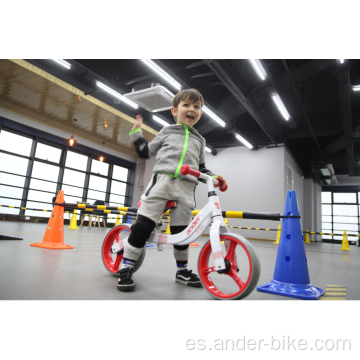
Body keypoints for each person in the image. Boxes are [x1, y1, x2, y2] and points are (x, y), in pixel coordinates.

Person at [117, 88, 227, 292]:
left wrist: (213, 177)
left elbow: (201, 169)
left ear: (200, 114)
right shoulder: (167, 131)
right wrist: (136, 131)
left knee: (182, 233)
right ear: (174, 111)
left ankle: (182, 270)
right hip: (162, 184)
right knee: (143, 226)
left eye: (197, 107)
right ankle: (126, 267)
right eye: (186, 105)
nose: (192, 109)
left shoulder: (200, 140)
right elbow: (145, 152)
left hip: (186, 189)